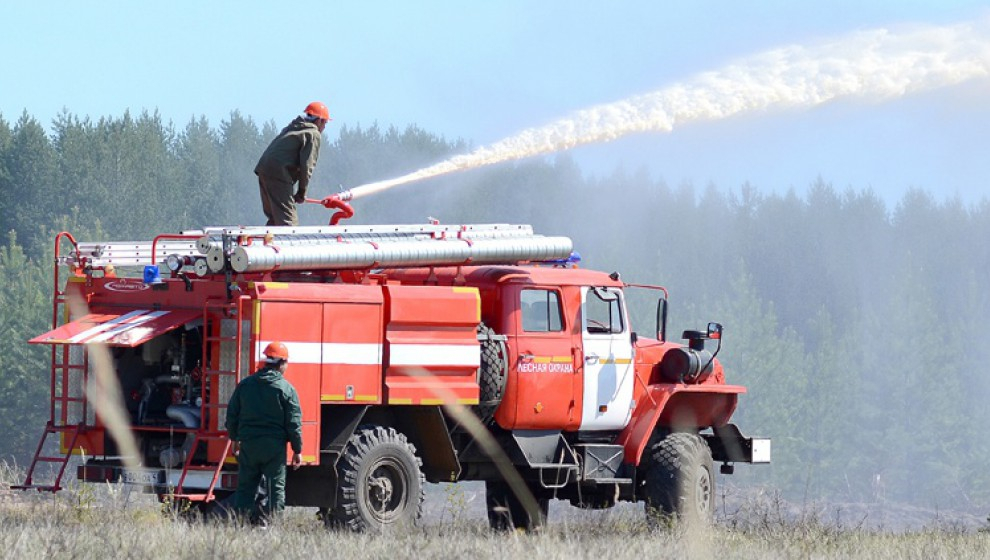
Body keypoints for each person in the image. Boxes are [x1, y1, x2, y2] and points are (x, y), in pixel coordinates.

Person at [225, 341, 303, 523]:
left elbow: (232, 415)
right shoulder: (287, 389)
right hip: (274, 448)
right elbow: (293, 423)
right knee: (276, 489)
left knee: (245, 489)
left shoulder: (245, 385)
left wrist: (234, 438)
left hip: (249, 445)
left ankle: (240, 526)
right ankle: (274, 526)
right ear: (282, 363)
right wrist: (297, 449)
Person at [254, 102, 331, 226]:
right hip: (278, 173)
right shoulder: (313, 133)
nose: (324, 128)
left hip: (264, 169)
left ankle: (265, 244)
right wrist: (301, 193)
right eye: (325, 123)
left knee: (275, 218)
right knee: (289, 224)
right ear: (319, 121)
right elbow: (307, 166)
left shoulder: (294, 127)